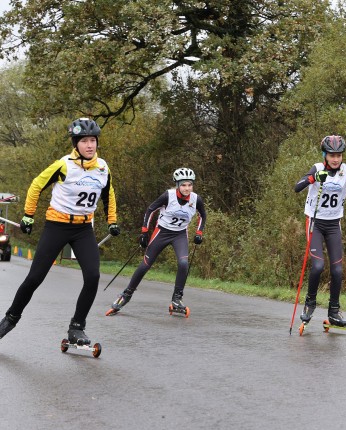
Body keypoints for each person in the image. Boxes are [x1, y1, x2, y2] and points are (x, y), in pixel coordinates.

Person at [0, 118, 120, 344]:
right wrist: (28, 214)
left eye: (93, 140)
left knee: (93, 276)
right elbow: (37, 184)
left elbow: (108, 194)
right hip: (57, 225)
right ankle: (10, 318)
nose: (89, 145)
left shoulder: (103, 168)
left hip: (83, 228)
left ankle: (77, 327)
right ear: (76, 144)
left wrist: (112, 220)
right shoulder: (64, 165)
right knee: (35, 277)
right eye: (84, 141)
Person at [294, 134, 346, 327]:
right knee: (319, 266)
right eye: (332, 155)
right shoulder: (318, 168)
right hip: (315, 223)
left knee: (337, 270)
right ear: (325, 155)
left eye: (339, 155)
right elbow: (297, 187)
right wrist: (313, 178)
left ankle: (334, 312)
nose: (336, 159)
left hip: (334, 224)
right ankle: (309, 304)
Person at [107, 167, 206, 316]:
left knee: (184, 263)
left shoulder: (196, 199)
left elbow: (203, 215)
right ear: (177, 185)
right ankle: (125, 296)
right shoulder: (168, 195)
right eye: (183, 185)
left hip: (179, 234)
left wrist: (199, 232)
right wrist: (145, 232)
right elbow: (150, 210)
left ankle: (176, 300)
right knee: (145, 265)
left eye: (190, 185)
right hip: (162, 233)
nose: (187, 188)